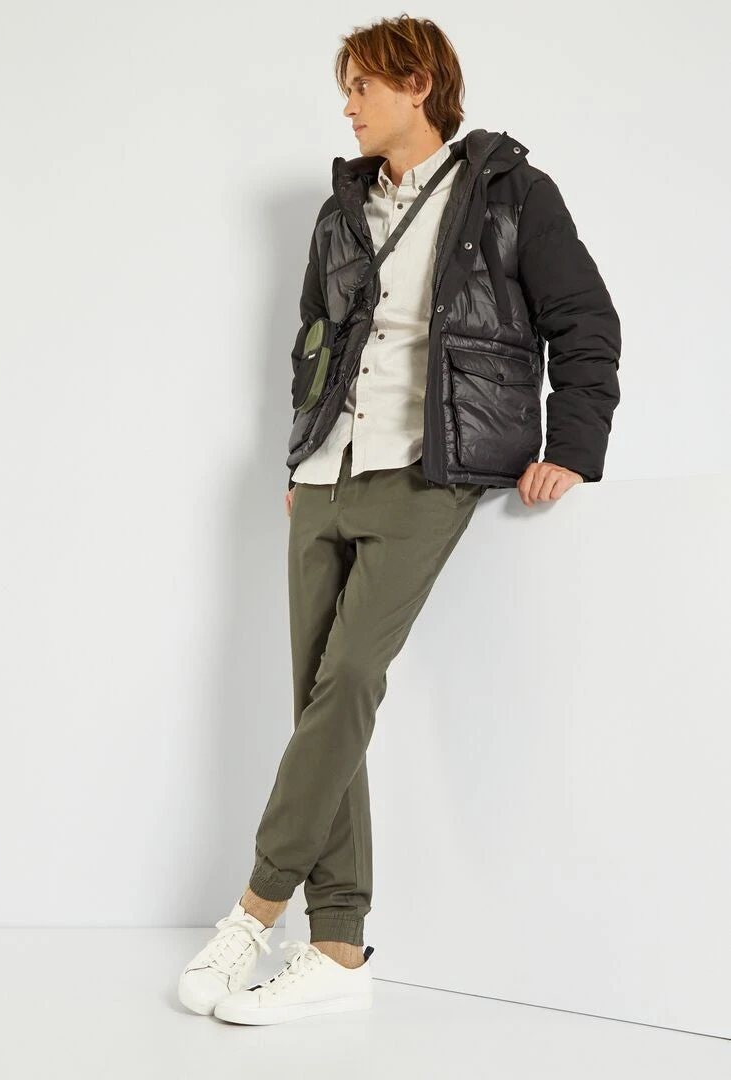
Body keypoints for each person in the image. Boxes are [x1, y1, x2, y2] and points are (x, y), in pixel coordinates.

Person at [179, 13, 621, 1025]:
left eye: (362, 87)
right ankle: (338, 949)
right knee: (316, 701)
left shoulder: (509, 192)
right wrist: (303, 450)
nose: (347, 106)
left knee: (347, 683)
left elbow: (584, 320)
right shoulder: (341, 210)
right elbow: (316, 338)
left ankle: (254, 909)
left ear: (417, 84)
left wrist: (571, 445)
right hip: (325, 476)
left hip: (432, 471)